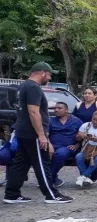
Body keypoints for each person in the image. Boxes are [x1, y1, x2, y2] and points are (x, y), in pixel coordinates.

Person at [3, 62, 73, 204]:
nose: (50, 76)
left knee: (20, 164)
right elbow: (33, 112)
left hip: (22, 130)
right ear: (42, 72)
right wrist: (41, 135)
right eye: (49, 74)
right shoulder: (34, 87)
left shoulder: (23, 86)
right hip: (32, 132)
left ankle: (12, 194)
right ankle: (52, 195)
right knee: (42, 162)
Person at [48, 102, 83, 187]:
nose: (56, 110)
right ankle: (53, 178)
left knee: (60, 154)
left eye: (59, 108)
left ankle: (47, 178)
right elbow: (45, 135)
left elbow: (83, 135)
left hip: (67, 147)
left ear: (66, 110)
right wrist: (49, 145)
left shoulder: (76, 121)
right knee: (41, 153)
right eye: (55, 108)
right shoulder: (50, 121)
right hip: (51, 146)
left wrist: (77, 145)